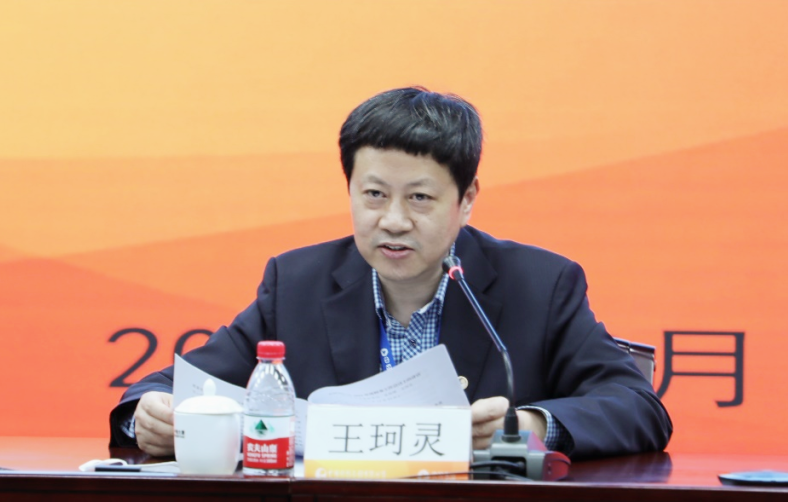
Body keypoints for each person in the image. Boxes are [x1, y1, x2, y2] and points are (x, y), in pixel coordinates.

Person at [110, 86, 672, 459]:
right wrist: (149, 417)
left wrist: (529, 426)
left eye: (420, 198)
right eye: (374, 195)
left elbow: (637, 406)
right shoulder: (297, 282)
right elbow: (171, 387)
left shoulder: (541, 285)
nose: (394, 221)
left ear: (467, 199)